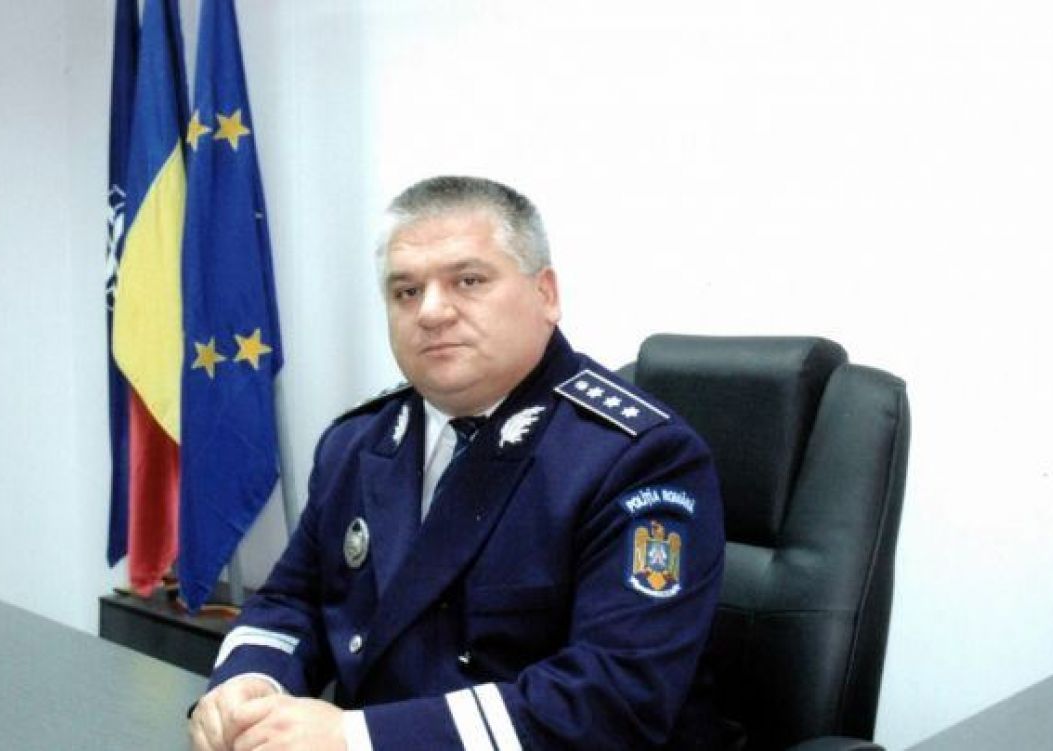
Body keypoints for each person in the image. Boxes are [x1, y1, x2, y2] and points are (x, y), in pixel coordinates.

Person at [189, 176, 725, 750]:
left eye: (468, 281)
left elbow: (613, 699)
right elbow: (292, 601)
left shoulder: (635, 457)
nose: (431, 312)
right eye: (406, 291)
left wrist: (357, 738)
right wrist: (248, 683)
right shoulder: (356, 442)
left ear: (546, 294)